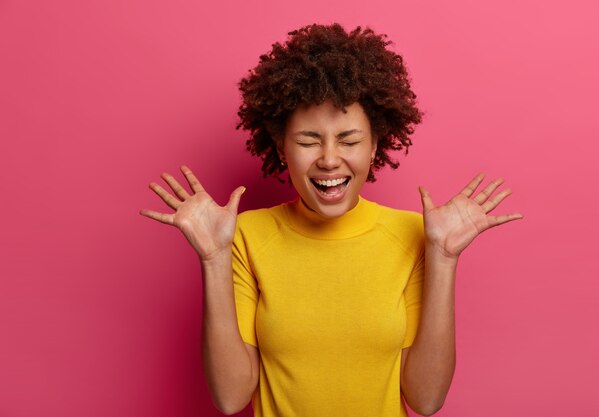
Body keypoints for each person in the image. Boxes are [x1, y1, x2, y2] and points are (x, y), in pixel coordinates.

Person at [140, 23, 523, 417]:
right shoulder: (245, 236)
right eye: (308, 140)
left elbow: (426, 400)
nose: (328, 158)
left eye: (349, 140)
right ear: (281, 146)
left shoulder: (413, 235)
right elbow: (231, 396)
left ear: (375, 145)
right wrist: (213, 259)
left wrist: (443, 258)